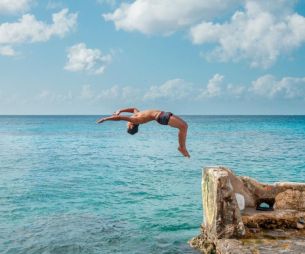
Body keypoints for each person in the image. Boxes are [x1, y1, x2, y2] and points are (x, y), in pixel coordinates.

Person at [96, 108, 190, 158]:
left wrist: (120, 110)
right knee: (184, 127)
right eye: (127, 125)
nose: (127, 124)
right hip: (161, 117)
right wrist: (105, 119)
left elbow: (133, 109)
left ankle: (182, 147)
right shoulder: (136, 120)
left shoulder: (136, 114)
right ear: (132, 126)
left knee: (184, 126)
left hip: (162, 114)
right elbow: (119, 118)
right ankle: (181, 147)